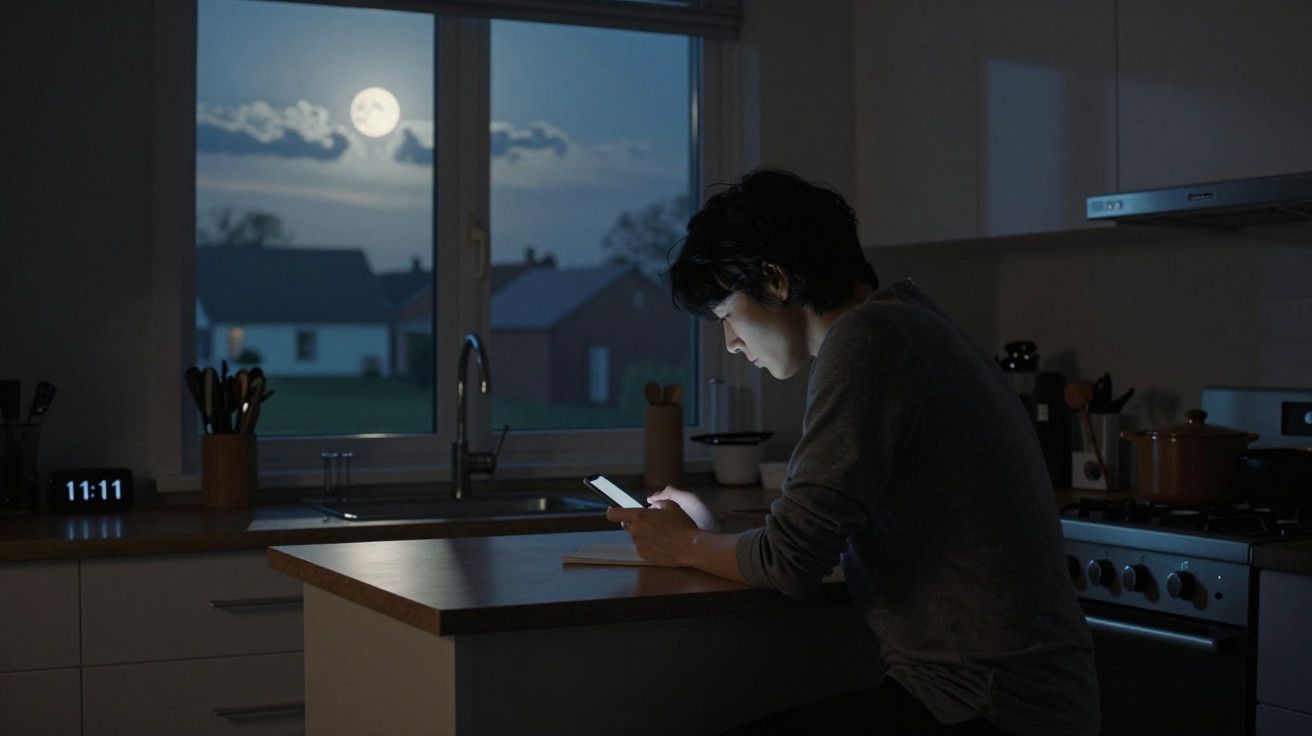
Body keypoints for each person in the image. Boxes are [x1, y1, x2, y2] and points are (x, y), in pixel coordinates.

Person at [606, 168, 1100, 736]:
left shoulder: (865, 344)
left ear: (775, 281)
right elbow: (817, 532)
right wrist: (712, 539)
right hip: (1017, 702)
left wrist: (684, 544)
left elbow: (790, 564)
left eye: (726, 317)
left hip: (988, 708)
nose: (732, 343)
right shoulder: (909, 320)